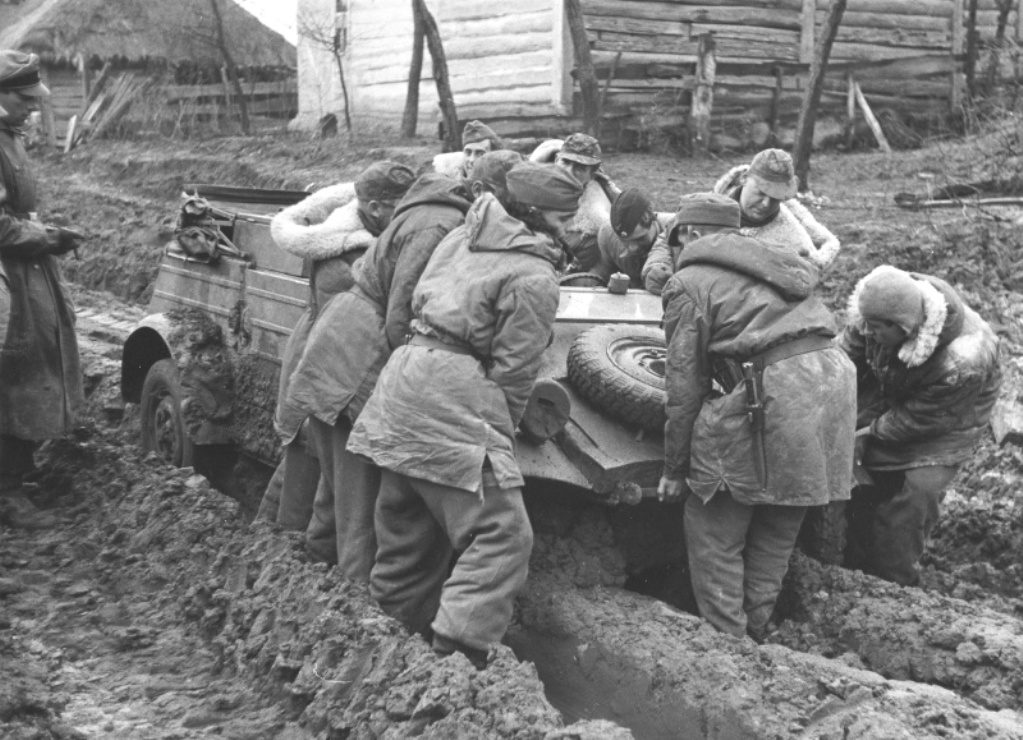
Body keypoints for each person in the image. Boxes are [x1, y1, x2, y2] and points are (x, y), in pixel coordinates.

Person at [348, 162, 582, 668]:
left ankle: (380, 655)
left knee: (408, 536)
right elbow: (515, 372)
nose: (574, 227)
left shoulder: (463, 234)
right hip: (454, 398)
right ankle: (457, 664)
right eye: (566, 217)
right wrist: (498, 441)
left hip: (404, 382)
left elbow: (417, 301)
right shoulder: (534, 274)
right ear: (535, 212)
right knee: (504, 536)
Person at [656, 193, 856, 641]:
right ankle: (756, 629)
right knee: (780, 518)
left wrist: (675, 468)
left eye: (675, 242)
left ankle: (728, 640)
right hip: (832, 380)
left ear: (690, 233)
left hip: (776, 385)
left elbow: (685, 384)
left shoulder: (688, 281)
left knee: (713, 519)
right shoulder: (775, 262)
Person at [279, 166, 479, 577]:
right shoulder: (439, 224)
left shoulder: (425, 211)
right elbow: (401, 313)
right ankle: (353, 597)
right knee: (359, 499)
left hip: (340, 351)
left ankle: (306, 578)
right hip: (355, 360)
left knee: (335, 491)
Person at [256, 162, 416, 532]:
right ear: (374, 208)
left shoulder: (369, 236)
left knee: (314, 472)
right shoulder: (345, 255)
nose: (408, 216)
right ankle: (279, 549)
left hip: (330, 371)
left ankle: (276, 542)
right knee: (306, 473)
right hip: (323, 369)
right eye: (401, 207)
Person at [840, 265, 1001, 586]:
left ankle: (893, 581)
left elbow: (923, 419)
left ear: (902, 327)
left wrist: (870, 432)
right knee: (856, 466)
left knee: (916, 493)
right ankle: (849, 559)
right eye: (865, 325)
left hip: (949, 415)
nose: (867, 332)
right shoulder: (876, 309)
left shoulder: (962, 361)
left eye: (876, 329)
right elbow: (844, 357)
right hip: (895, 382)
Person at [0, 51, 85, 529]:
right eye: (24, 99)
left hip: (23, 267)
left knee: (29, 367)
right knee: (13, 373)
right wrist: (47, 238)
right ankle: (7, 492)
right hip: (7, 277)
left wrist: (45, 232)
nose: (33, 107)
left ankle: (14, 475)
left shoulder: (9, 135)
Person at [713, 148, 840, 271]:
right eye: (761, 192)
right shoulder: (712, 207)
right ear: (744, 178)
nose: (766, 204)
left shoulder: (793, 242)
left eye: (775, 197)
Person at [591, 188, 672, 288]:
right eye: (624, 241)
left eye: (639, 239)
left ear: (653, 221)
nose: (632, 248)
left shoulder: (676, 233)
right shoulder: (607, 234)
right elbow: (606, 269)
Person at [431, 119, 502, 180]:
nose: (471, 160)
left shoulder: (504, 186)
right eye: (468, 152)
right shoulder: (450, 185)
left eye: (480, 154)